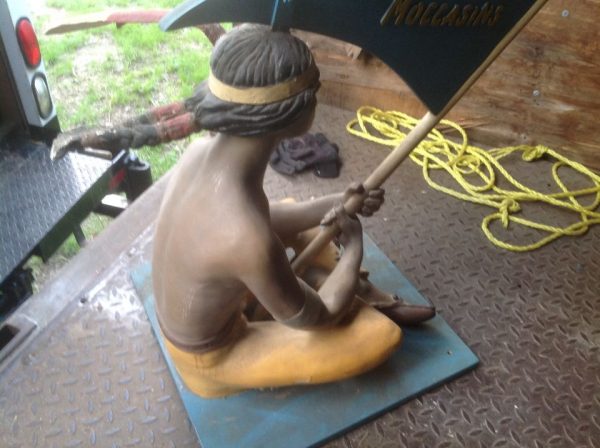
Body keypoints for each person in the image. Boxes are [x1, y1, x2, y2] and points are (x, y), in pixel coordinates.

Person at [151, 25, 433, 398]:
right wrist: (353, 248)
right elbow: (320, 315)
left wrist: (338, 202)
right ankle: (343, 288)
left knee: (289, 214)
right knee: (379, 335)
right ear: (289, 113)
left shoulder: (198, 154)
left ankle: (339, 285)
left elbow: (264, 221)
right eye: (314, 89)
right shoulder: (246, 235)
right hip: (213, 354)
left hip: (220, 284)